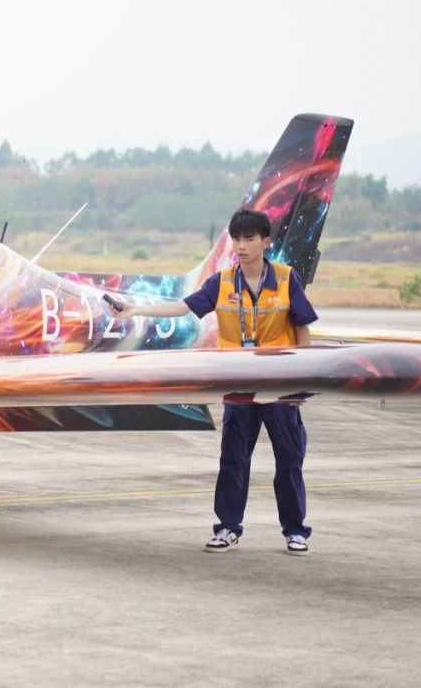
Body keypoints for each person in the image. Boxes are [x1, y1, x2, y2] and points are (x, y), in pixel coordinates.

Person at [108, 208, 318, 555]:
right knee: (233, 459)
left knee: (289, 459)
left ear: (266, 242)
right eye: (236, 239)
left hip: (279, 383)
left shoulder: (285, 278)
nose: (241, 246)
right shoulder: (222, 282)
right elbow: (182, 307)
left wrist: (302, 380)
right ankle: (227, 529)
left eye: (249, 239)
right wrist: (134, 310)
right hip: (237, 383)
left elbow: (302, 327)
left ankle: (295, 531)